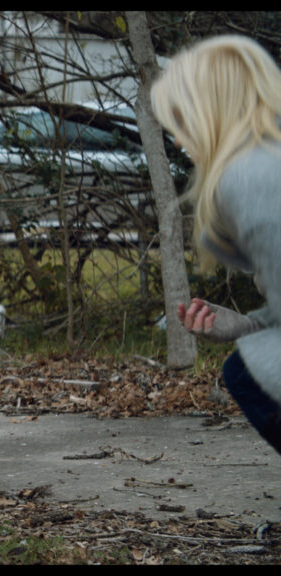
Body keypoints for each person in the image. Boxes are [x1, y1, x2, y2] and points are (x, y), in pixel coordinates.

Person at [151, 35, 281, 455]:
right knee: (245, 369)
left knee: (248, 374)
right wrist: (244, 327)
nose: (175, 139)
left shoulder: (249, 179)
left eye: (179, 118)